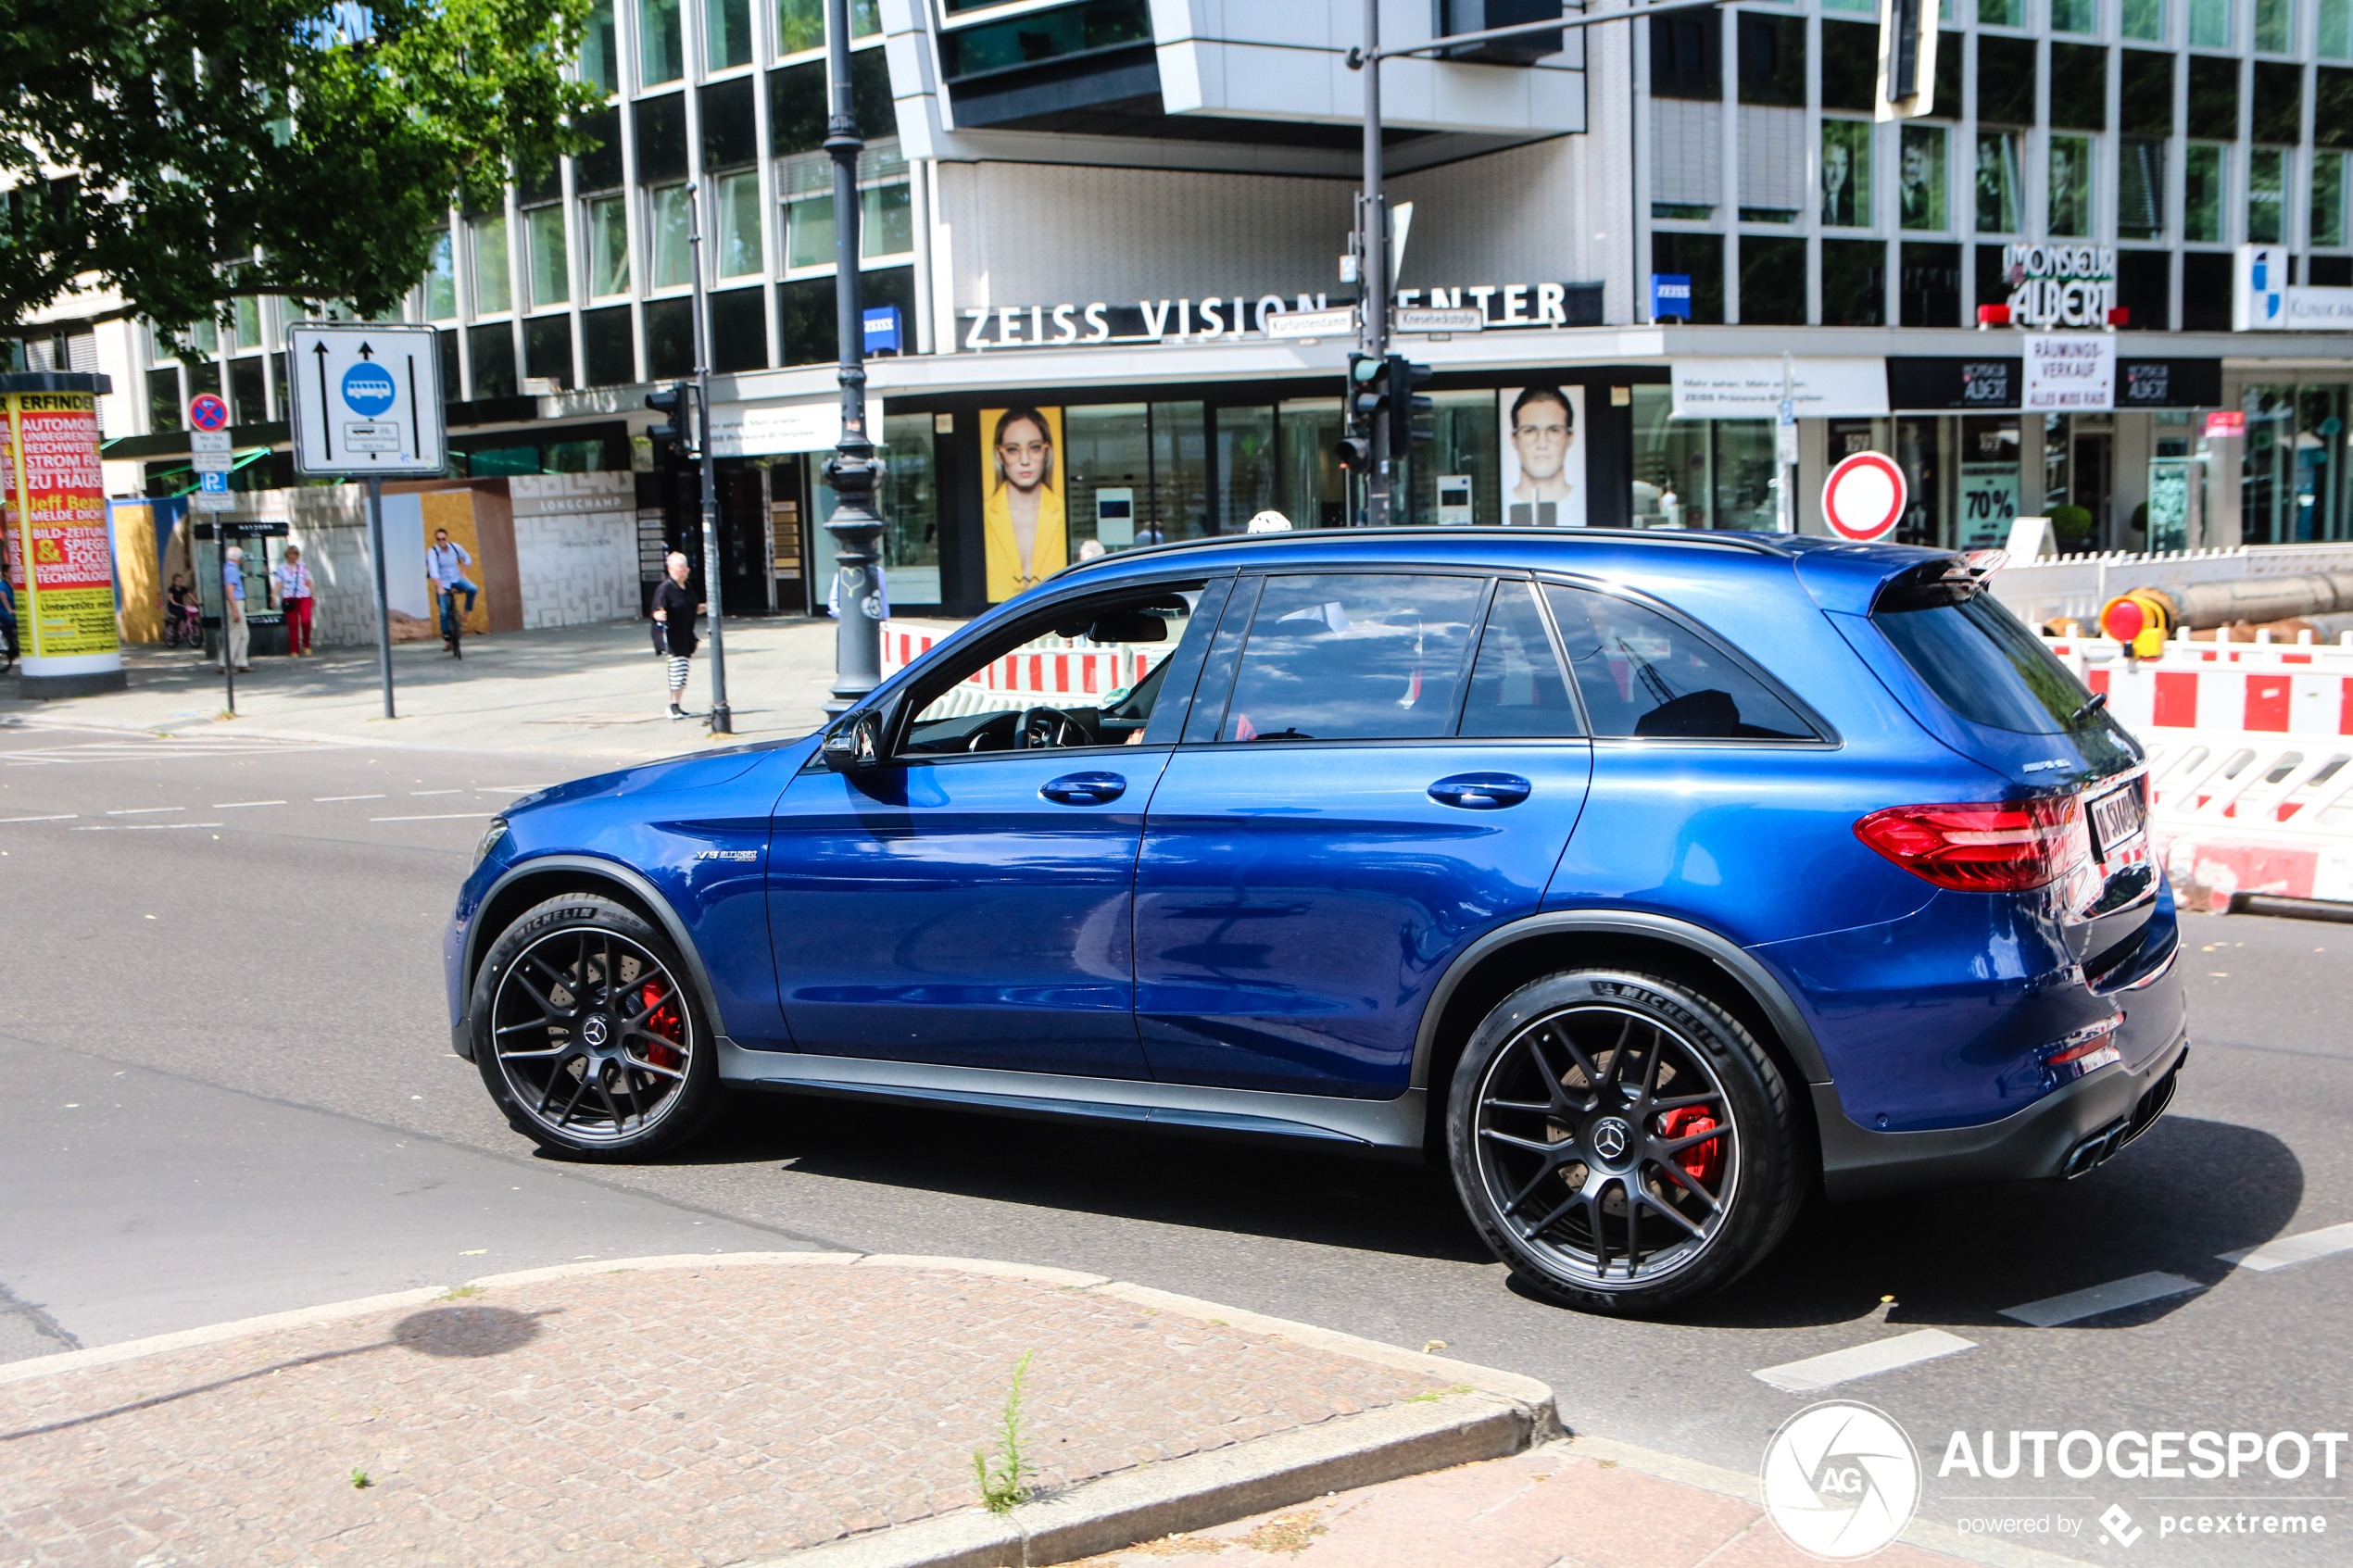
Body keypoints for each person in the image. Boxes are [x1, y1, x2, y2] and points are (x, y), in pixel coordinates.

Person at [982, 408, 1066, 601]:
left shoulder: (1064, 511)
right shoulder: (983, 515)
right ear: (1000, 455)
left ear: (1047, 451)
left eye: (1034, 447)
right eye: (1013, 449)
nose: (1025, 460)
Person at [1506, 386, 1576, 526]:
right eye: (1530, 431)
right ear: (1514, 439)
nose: (1542, 443)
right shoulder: (1501, 503)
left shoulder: (1590, 501)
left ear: (1570, 437)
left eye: (1554, 430)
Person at [650, 551, 705, 721]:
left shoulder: (687, 587)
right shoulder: (665, 588)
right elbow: (656, 609)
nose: (683, 573)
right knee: (677, 668)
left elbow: (691, 607)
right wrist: (659, 615)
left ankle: (677, 705)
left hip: (685, 633)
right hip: (670, 634)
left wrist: (706, 607)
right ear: (670, 569)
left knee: (683, 670)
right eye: (679, 569)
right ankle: (673, 706)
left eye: (685, 569)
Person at [425, 528, 477, 658]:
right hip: (442, 582)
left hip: (456, 579)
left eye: (443, 538)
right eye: (438, 539)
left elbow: (467, 558)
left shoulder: (455, 547)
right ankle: (448, 639)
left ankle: (464, 614)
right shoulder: (433, 552)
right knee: (444, 611)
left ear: (447, 538)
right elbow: (433, 571)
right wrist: (440, 588)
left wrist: (464, 573)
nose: (441, 541)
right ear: (436, 540)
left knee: (472, 588)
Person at [275, 546, 315, 657]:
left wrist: (314, 595)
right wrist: (273, 596)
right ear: (287, 555)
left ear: (297, 555)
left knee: (306, 621)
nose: (292, 557)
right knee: (293, 624)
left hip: (304, 596)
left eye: (294, 554)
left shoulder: (303, 566)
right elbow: (278, 582)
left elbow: (309, 581)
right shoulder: (282, 568)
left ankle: (306, 645)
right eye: (290, 554)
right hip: (289, 597)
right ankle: (294, 649)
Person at [220, 546, 251, 672]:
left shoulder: (228, 568)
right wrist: (235, 610)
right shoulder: (232, 570)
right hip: (236, 603)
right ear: (238, 558)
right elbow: (230, 590)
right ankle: (225, 663)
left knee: (244, 634)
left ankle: (241, 662)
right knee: (234, 635)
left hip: (236, 603)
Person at [165, 572, 200, 647]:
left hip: (181, 606)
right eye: (178, 581)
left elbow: (190, 595)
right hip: (173, 607)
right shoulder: (172, 589)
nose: (179, 582)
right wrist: (174, 602)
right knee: (179, 616)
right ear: (174, 582)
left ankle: (187, 630)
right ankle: (175, 631)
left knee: (187, 616)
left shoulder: (183, 589)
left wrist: (196, 602)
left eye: (181, 581)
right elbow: (171, 597)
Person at [0, 570, 16, 673]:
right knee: (10, 621)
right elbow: (2, 595)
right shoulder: (2, 585)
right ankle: (11, 645)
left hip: (13, 610)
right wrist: (9, 610)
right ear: (5, 573)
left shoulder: (14, 584)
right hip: (3, 611)